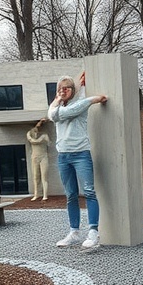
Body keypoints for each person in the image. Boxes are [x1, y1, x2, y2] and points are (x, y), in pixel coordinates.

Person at [47, 71, 107, 249]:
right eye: (60, 88)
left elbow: (72, 108)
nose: (63, 91)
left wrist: (89, 97)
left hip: (81, 154)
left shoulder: (80, 105)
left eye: (67, 88)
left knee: (89, 192)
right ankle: (74, 233)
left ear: (73, 90)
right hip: (63, 156)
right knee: (71, 195)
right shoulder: (59, 109)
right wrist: (90, 98)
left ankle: (93, 232)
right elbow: (53, 115)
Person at [26, 119, 50, 201]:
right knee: (36, 176)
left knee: (44, 176)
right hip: (34, 157)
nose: (38, 126)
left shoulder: (45, 135)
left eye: (40, 124)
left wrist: (43, 138)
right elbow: (32, 141)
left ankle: (45, 195)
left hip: (43, 156)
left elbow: (49, 143)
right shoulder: (30, 134)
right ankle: (36, 194)